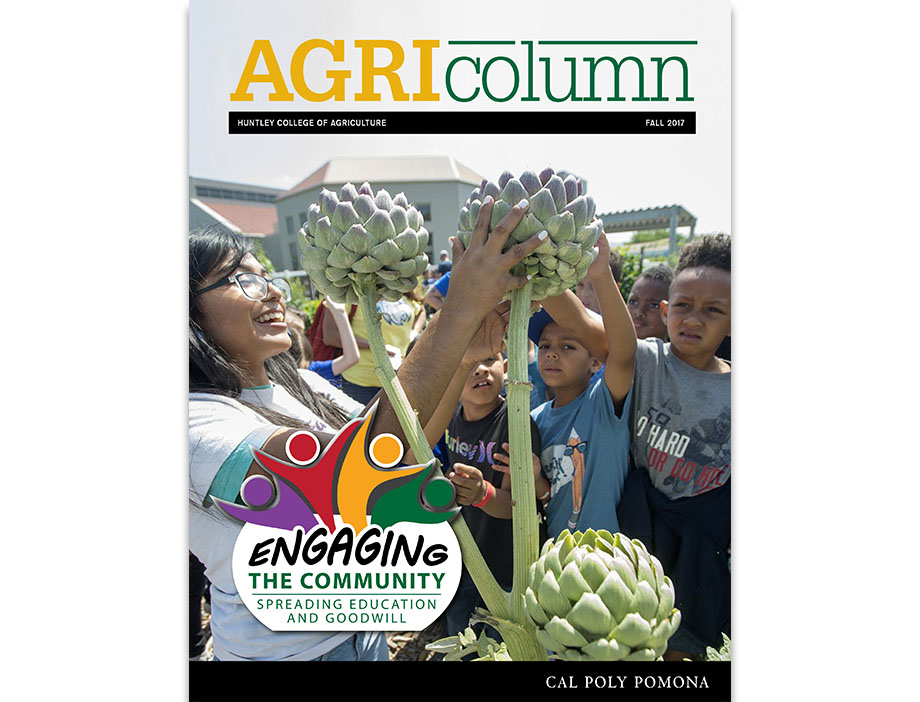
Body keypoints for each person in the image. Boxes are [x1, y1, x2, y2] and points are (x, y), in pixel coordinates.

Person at [188, 197, 548, 662]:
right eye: (246, 281)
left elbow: (400, 454)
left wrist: (462, 360)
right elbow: (342, 486)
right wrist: (457, 307)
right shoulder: (193, 421)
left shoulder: (302, 384)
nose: (275, 293)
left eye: (270, 278)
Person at [614, 234, 731, 660]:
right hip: (640, 535)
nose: (693, 319)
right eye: (683, 305)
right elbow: (590, 328)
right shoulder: (646, 361)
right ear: (666, 311)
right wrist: (595, 271)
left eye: (713, 310)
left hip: (703, 550)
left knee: (685, 648)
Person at [424, 347, 548, 637]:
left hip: (507, 566)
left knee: (501, 638)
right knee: (460, 630)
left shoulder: (517, 424)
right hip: (467, 554)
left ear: (505, 367)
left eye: (489, 359)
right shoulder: (452, 416)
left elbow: (518, 506)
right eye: (468, 364)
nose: (481, 370)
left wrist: (482, 493)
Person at [529, 233, 636, 539]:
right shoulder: (534, 419)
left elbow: (624, 354)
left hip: (608, 560)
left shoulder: (603, 403)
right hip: (555, 560)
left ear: (595, 362)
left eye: (568, 347)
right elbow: (545, 498)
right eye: (545, 345)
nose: (551, 353)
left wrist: (601, 276)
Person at [324, 291, 426, 405]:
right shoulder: (351, 293)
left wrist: (415, 331)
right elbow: (330, 336)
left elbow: (421, 310)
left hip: (399, 380)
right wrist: (377, 346)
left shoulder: (401, 288)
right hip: (361, 382)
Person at [287, 298, 360, 386]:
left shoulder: (311, 370)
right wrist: (340, 314)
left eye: (300, 332)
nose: (297, 337)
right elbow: (351, 358)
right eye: (289, 331)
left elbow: (351, 359)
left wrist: (340, 313)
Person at [626, 264, 673, 340]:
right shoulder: (607, 347)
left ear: (667, 312)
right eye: (633, 301)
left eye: (653, 305)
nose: (638, 312)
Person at [575, 245, 622, 314]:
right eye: (580, 284)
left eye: (594, 287)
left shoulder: (617, 323)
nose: (585, 294)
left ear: (616, 290)